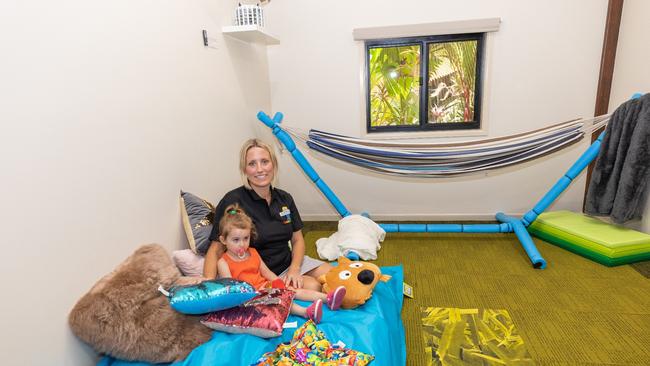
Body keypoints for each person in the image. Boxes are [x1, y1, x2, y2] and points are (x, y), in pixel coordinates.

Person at [202, 138, 333, 291]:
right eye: (252, 164)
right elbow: (216, 249)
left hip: (290, 263)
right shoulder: (232, 200)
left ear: (274, 165)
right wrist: (208, 286)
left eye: (264, 161)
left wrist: (295, 268)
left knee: (338, 276)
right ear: (244, 169)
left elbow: (297, 240)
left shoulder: (285, 198)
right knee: (314, 287)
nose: (260, 169)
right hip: (261, 274)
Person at [215, 204, 346, 323]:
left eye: (246, 238)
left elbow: (266, 272)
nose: (242, 244)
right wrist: (258, 292)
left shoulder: (253, 252)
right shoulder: (223, 262)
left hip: (265, 287)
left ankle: (328, 298)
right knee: (281, 299)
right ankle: (306, 312)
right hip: (250, 298)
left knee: (292, 290)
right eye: (236, 240)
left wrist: (278, 282)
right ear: (224, 240)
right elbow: (232, 289)